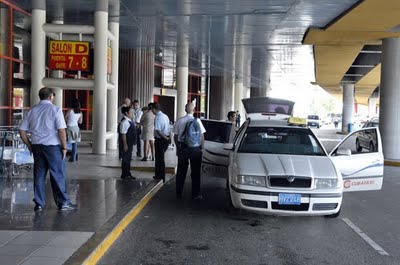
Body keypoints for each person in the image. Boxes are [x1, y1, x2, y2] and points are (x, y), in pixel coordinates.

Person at [19, 87, 77, 211]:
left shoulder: (31, 111)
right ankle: (63, 202)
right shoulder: (55, 110)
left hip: (37, 147)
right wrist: (64, 147)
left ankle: (39, 203)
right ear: (51, 96)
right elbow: (61, 130)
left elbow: (22, 130)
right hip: (53, 147)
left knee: (39, 174)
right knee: (57, 174)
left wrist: (29, 145)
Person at [174, 102, 206, 200]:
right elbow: (202, 136)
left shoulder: (179, 121)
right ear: (194, 110)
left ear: (185, 110)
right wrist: (201, 148)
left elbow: (175, 136)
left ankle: (179, 192)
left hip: (183, 148)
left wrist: (178, 148)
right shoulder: (197, 121)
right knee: (195, 172)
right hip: (195, 149)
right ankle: (195, 194)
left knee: (181, 171)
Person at [151, 103, 170, 182]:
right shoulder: (165, 116)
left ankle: (160, 176)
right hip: (165, 138)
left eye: (152, 109)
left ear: (155, 109)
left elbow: (158, 131)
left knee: (159, 158)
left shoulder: (158, 117)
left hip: (161, 139)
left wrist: (165, 138)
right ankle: (159, 175)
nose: (152, 111)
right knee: (160, 158)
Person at [119, 106, 137, 179]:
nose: (133, 114)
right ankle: (125, 174)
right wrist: (125, 145)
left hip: (129, 143)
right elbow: (123, 134)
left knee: (128, 158)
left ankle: (128, 173)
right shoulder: (124, 122)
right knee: (125, 159)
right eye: (131, 112)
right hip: (126, 143)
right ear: (126, 113)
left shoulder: (129, 121)